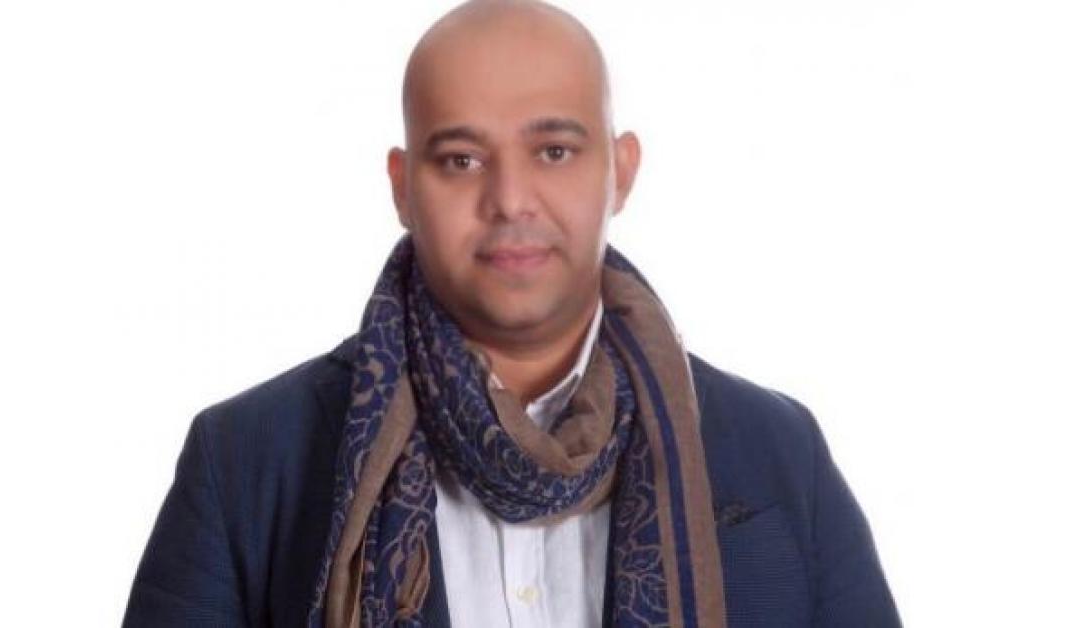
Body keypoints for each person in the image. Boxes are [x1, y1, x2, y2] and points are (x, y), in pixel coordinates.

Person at [122, 1, 901, 626]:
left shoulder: (776, 452)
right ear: (402, 186)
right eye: (461, 160)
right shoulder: (248, 459)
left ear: (621, 171)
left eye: (554, 150)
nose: (509, 199)